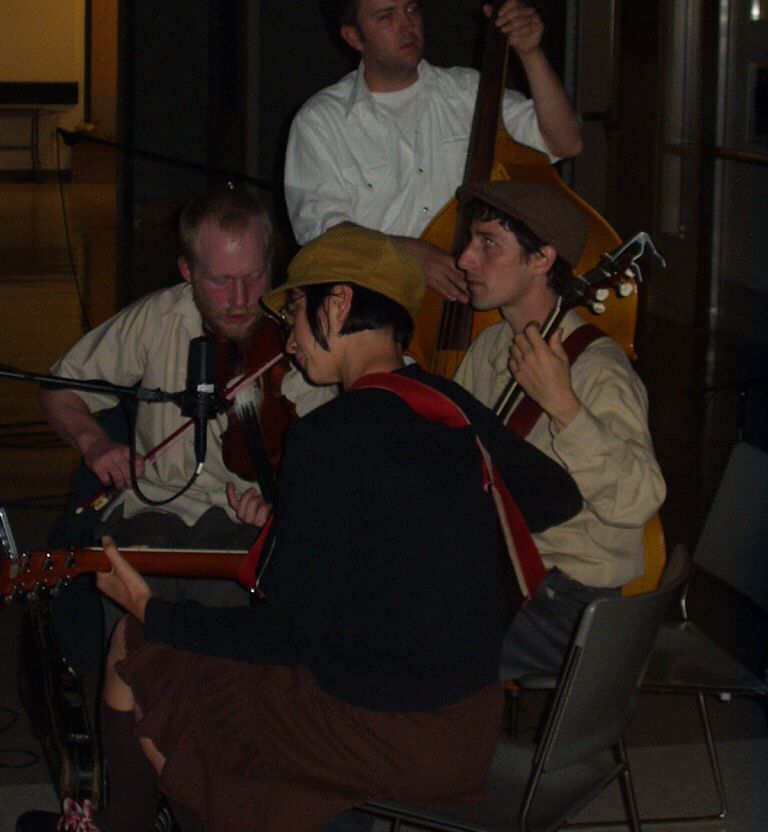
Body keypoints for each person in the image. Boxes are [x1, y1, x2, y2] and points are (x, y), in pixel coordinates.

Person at [19, 224, 581, 832]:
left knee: (140, 648)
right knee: (202, 667)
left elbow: (285, 637)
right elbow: (555, 496)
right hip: (467, 730)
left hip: (378, 735)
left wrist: (149, 606)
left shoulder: (328, 436)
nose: (288, 339)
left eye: (294, 313)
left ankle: (132, 821)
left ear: (337, 305)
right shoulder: (445, 401)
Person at [39, 186, 330, 615]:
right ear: (187, 271)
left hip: (245, 525)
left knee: (227, 624)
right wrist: (93, 442)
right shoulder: (159, 317)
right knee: (129, 610)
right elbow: (60, 388)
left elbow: (334, 465)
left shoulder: (301, 336)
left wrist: (283, 505)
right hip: (151, 510)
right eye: (220, 281)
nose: (241, 300)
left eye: (254, 277)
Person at [452, 180, 667, 679]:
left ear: (542, 259)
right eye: (471, 241)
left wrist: (563, 406)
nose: (464, 259)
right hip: (505, 572)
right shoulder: (489, 348)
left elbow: (639, 500)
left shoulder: (598, 370)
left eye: (488, 243)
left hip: (567, 603)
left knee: (404, 643)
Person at [284, 0, 582, 302]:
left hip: (475, 298)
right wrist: (408, 253)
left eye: (412, 9)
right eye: (386, 17)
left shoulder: (468, 92)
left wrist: (530, 53)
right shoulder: (321, 121)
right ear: (353, 37)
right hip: (380, 302)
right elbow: (319, 231)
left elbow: (564, 142)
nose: (407, 25)